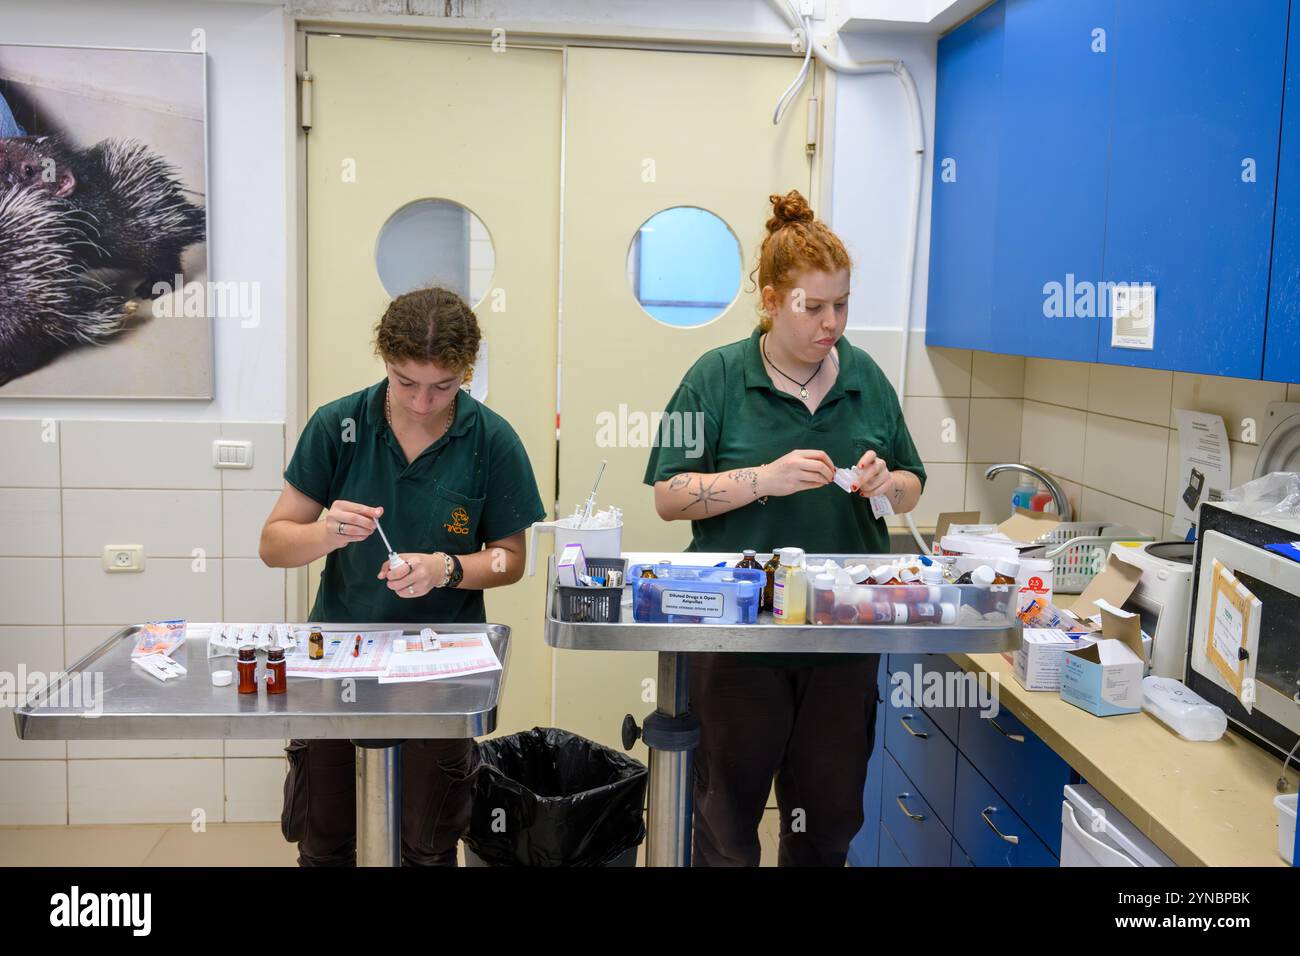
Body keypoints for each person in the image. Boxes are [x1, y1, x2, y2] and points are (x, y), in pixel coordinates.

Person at [643, 189, 927, 866]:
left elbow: (913, 485)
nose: (832, 323)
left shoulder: (866, 379)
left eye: (843, 304)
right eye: (814, 306)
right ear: (771, 301)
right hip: (740, 644)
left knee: (824, 832)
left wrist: (888, 485)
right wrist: (761, 480)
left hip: (840, 643)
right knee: (725, 832)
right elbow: (669, 495)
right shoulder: (712, 380)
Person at [259, 286, 545, 866]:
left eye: (442, 386)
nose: (421, 402)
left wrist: (447, 568)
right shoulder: (338, 425)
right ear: (383, 361)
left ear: (467, 371)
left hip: (441, 668)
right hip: (337, 655)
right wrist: (326, 531)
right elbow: (273, 545)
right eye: (404, 381)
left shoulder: (492, 441)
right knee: (325, 839)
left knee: (428, 843)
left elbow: (510, 560)